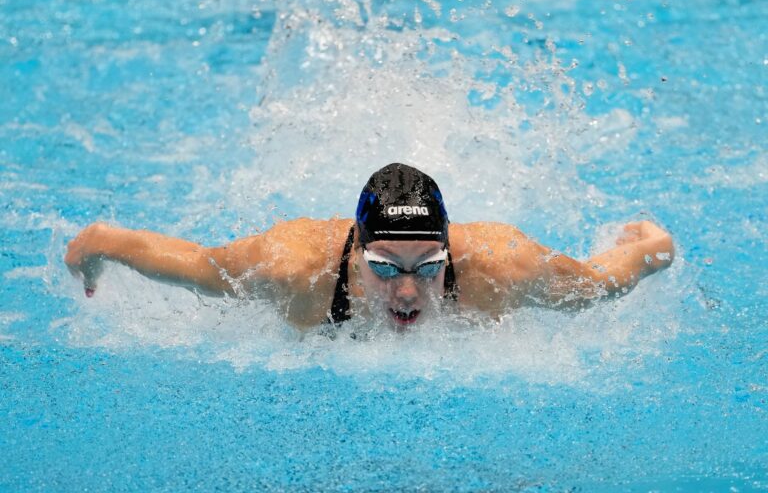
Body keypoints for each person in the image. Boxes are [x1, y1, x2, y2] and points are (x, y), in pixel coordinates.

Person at [65, 163, 675, 331]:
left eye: (427, 268)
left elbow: (601, 283)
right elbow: (198, 263)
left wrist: (656, 245)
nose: (407, 291)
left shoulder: (501, 266)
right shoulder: (294, 268)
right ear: (355, 253)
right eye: (385, 267)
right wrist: (99, 243)